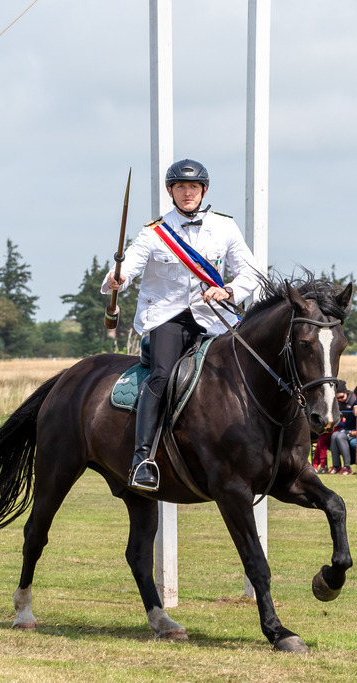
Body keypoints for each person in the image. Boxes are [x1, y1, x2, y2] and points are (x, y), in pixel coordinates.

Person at [102, 159, 260, 491]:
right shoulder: (154, 232)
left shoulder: (225, 227)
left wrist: (228, 289)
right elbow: (130, 263)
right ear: (170, 191)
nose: (187, 193)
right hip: (167, 317)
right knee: (162, 374)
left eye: (193, 188)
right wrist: (118, 277)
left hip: (215, 318)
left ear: (204, 191)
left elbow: (250, 273)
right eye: (180, 188)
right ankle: (142, 459)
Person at [313, 380, 357, 475]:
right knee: (333, 436)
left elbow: (351, 422)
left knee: (339, 436)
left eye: (342, 397)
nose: (340, 400)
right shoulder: (338, 403)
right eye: (338, 398)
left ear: (346, 393)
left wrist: (339, 424)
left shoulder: (354, 401)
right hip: (343, 428)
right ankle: (336, 466)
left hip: (353, 428)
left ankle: (347, 467)